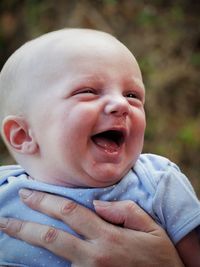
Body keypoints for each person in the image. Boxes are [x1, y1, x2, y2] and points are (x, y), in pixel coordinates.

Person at [0, 28, 199, 267]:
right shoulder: (5, 193)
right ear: (23, 135)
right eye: (87, 91)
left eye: (133, 95)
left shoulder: (158, 183)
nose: (121, 103)